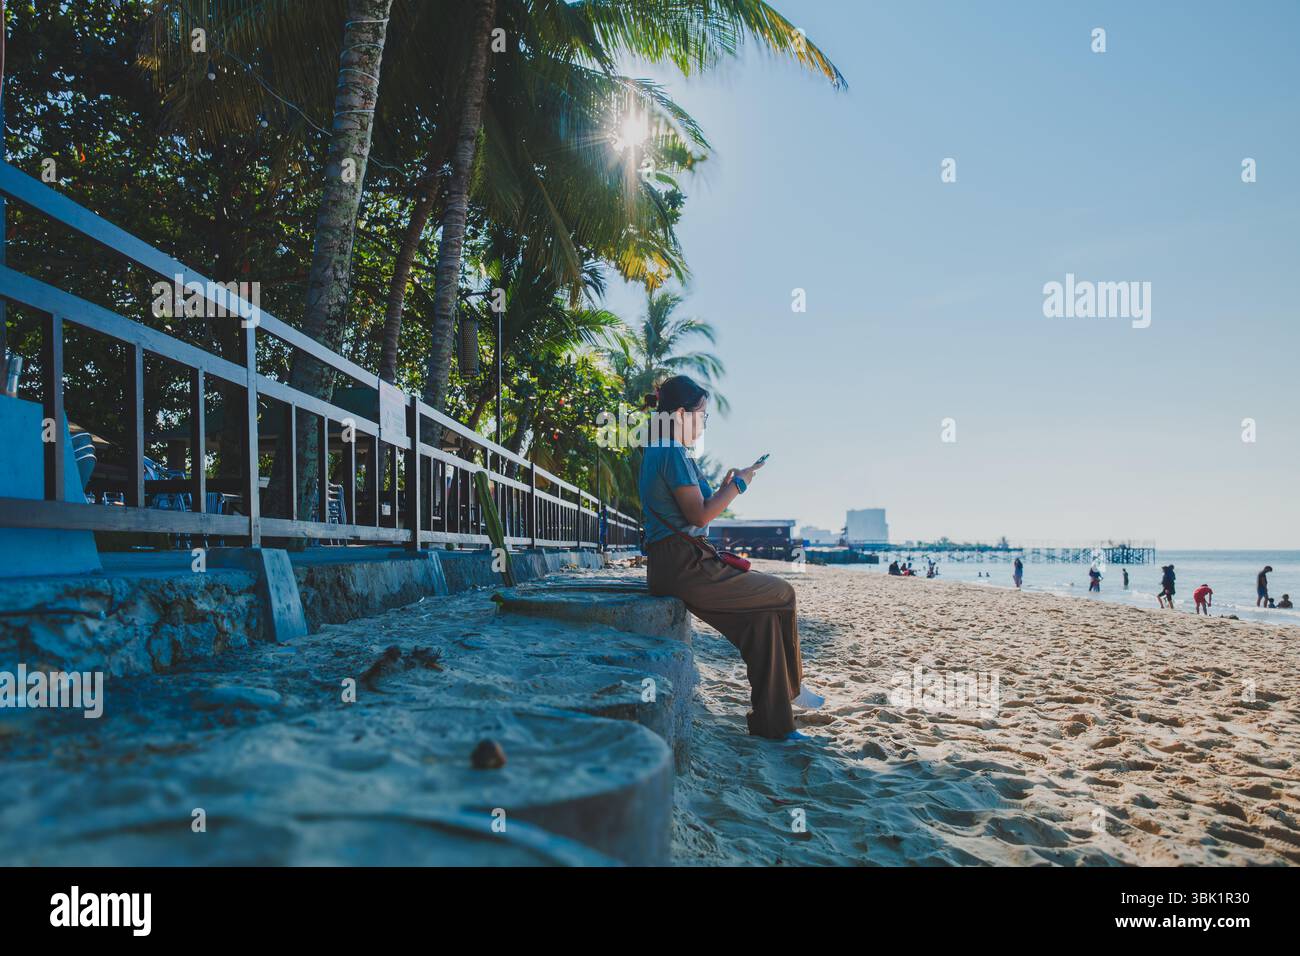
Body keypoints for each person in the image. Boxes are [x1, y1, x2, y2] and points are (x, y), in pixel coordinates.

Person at [639, 375, 819, 741]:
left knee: (763, 623)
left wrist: (725, 486)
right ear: (678, 414)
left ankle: (775, 725)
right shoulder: (670, 452)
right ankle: (793, 686)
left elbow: (697, 508)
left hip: (675, 563)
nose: (703, 424)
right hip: (686, 567)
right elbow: (699, 516)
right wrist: (739, 485)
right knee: (783, 593)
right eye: (701, 415)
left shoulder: (662, 450)